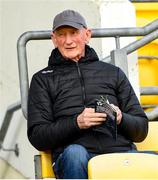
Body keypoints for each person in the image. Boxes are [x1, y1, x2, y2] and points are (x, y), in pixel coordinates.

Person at [27, 9, 148, 179]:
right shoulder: (42, 79)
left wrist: (120, 118)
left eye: (74, 33)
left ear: (87, 35)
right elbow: (38, 136)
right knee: (75, 154)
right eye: (62, 35)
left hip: (118, 154)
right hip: (74, 157)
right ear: (54, 39)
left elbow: (141, 130)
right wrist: (76, 123)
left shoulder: (113, 73)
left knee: (151, 160)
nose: (68, 41)